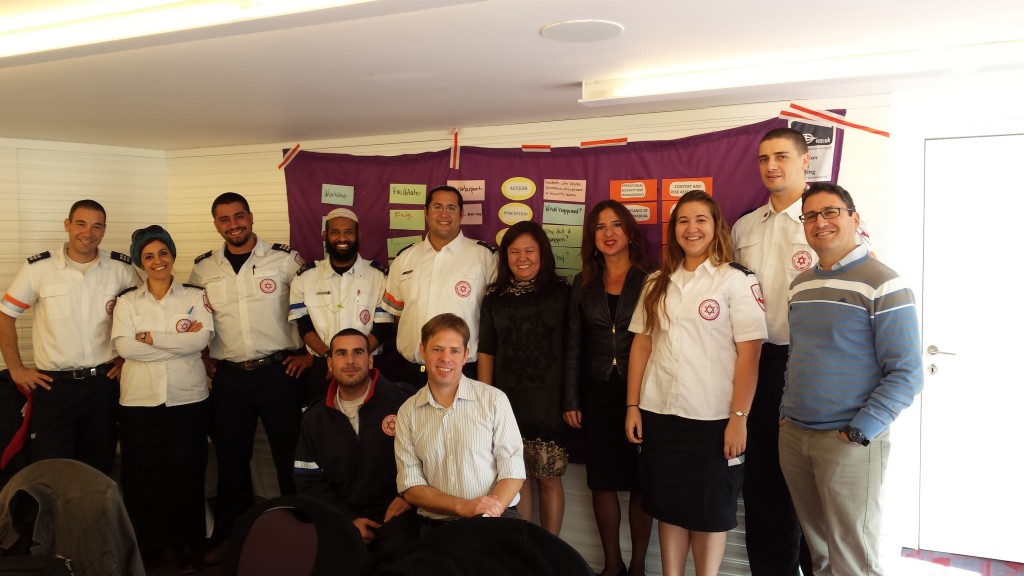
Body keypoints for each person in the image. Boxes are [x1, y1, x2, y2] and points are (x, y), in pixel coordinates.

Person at [780, 183, 924, 575]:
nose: (820, 222)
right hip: (795, 436)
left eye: (831, 212)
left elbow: (907, 373)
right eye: (810, 216)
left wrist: (860, 432)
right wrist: (784, 416)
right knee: (821, 556)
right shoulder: (801, 284)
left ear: (854, 218)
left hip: (848, 442)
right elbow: (798, 355)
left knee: (853, 559)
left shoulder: (883, 282)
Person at [625, 191, 766, 576]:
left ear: (716, 226)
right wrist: (632, 406)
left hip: (714, 419)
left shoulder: (735, 280)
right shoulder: (657, 281)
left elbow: (750, 354)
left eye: (701, 219)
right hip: (660, 415)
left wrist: (739, 417)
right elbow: (642, 344)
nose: (692, 228)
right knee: (668, 506)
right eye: (683, 221)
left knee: (710, 512)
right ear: (673, 230)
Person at [187, 192, 312, 556]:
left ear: (251, 216)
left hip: (279, 372)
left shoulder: (284, 259)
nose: (233, 224)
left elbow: (311, 307)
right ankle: (234, 535)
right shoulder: (204, 269)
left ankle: (300, 531)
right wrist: (203, 355)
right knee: (231, 458)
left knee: (289, 455)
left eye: (239, 216)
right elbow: (195, 316)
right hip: (230, 378)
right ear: (216, 224)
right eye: (224, 219)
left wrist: (310, 355)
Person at [729, 127, 814, 575]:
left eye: (781, 156)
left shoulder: (824, 219)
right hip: (756, 363)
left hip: (809, 364)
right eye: (763, 159)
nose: (771, 166)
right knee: (762, 482)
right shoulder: (744, 226)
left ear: (805, 161)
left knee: (811, 483)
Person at [0, 200, 138, 474]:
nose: (88, 232)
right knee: (51, 467)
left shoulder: (120, 269)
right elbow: (6, 315)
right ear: (67, 225)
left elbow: (142, 314)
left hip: (103, 385)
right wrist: (15, 369)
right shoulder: (39, 268)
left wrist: (127, 358)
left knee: (99, 464)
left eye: (96, 226)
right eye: (81, 224)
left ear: (104, 230)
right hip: (54, 387)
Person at [111, 225, 214, 572]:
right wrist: (177, 346)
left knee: (187, 472)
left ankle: (189, 546)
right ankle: (149, 547)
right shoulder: (127, 301)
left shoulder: (194, 295)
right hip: (139, 403)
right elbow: (126, 348)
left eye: (163, 253)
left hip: (188, 400)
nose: (158, 261)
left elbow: (199, 342)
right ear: (140, 263)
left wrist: (149, 337)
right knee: (143, 476)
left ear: (172, 255)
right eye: (149, 256)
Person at [563, 200, 653, 576]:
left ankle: (639, 567)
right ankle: (612, 565)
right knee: (602, 481)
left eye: (616, 225)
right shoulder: (583, 283)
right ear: (593, 237)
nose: (608, 233)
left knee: (642, 481)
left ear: (629, 232)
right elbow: (573, 344)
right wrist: (570, 398)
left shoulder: (651, 279)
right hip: (596, 392)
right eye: (600, 227)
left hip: (642, 394)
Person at [477, 221, 570, 536]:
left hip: (549, 400)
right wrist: (486, 401)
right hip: (507, 400)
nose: (522, 258)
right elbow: (487, 351)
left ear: (543, 253)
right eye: (514, 252)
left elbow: (573, 348)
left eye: (529, 250)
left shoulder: (561, 292)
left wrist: (571, 399)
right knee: (517, 476)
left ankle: (551, 549)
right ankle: (526, 548)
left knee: (548, 477)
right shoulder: (494, 296)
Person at [294, 328, 417, 564]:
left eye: (358, 352)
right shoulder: (314, 418)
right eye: (341, 353)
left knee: (400, 554)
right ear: (330, 364)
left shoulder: (403, 401)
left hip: (398, 511)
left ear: (370, 360)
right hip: (341, 514)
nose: (350, 360)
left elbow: (430, 458)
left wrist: (410, 498)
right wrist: (346, 520)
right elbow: (308, 482)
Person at [394, 313, 525, 528]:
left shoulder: (494, 400)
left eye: (454, 351)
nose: (446, 358)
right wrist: (462, 507)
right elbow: (411, 486)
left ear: (466, 355)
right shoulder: (407, 412)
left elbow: (513, 471)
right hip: (438, 524)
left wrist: (487, 515)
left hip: (496, 518)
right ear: (423, 351)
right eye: (437, 349)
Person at [383, 186, 497, 387]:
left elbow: (494, 320)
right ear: (426, 212)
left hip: (464, 373)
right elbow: (398, 315)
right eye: (437, 207)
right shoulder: (405, 258)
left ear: (461, 214)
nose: (444, 214)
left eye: (451, 208)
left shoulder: (485, 257)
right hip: (412, 373)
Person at [289, 208, 394, 404]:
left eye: (348, 232)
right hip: (323, 366)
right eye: (335, 232)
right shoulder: (305, 277)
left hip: (367, 366)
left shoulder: (379, 276)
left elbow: (383, 327)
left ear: (358, 234)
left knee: (370, 419)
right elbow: (304, 325)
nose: (342, 238)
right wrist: (331, 359)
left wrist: (354, 359)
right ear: (325, 235)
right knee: (322, 419)